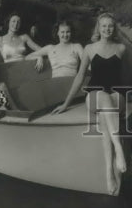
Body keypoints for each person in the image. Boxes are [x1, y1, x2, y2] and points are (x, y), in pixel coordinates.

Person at [52, 12, 127, 194]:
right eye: (104, 26)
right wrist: (66, 103)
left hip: (116, 96)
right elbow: (79, 78)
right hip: (95, 94)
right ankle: (118, 148)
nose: (107, 29)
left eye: (110, 26)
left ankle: (109, 172)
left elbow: (123, 76)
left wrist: (129, 96)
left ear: (114, 29)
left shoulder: (121, 48)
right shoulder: (90, 49)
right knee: (102, 96)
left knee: (105, 111)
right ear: (98, 29)